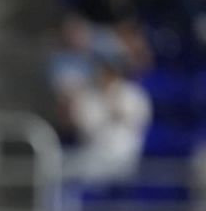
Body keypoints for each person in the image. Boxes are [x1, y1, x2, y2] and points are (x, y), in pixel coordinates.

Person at [65, 54, 153, 184]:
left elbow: (140, 122)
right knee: (61, 170)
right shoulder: (87, 95)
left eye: (107, 72)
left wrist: (115, 109)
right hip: (92, 152)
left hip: (125, 155)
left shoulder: (133, 94)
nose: (103, 77)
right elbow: (83, 125)